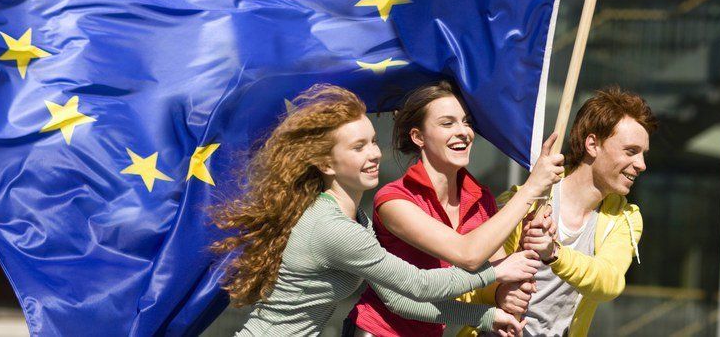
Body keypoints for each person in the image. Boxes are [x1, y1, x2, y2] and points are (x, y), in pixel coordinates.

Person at [210, 84, 542, 336]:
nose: (374, 154)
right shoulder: (334, 229)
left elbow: (400, 301)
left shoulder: (358, 222)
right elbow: (419, 285)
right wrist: (496, 271)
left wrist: (485, 316)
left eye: (372, 141)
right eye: (358, 147)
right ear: (326, 164)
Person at [347, 81, 566, 337]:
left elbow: (494, 271)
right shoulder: (394, 201)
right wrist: (531, 188)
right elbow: (467, 254)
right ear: (418, 137)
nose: (463, 132)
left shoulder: (480, 198)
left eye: (466, 122)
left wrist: (503, 291)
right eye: (447, 123)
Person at [465, 86, 657, 337]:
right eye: (631, 151)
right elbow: (469, 283)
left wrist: (554, 253)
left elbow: (609, 282)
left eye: (643, 154)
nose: (641, 164)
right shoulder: (525, 201)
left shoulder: (625, 219)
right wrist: (498, 293)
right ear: (592, 144)